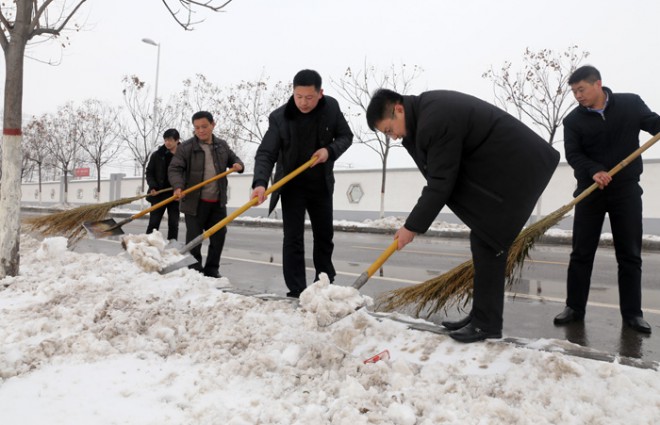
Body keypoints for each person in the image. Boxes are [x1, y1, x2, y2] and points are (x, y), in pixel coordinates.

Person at [366, 88, 560, 343]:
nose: (392, 137)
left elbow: (440, 183)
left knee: (488, 243)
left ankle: (487, 324)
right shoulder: (424, 116)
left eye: (389, 130)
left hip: (518, 169)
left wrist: (411, 227)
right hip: (502, 171)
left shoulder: (433, 120)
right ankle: (482, 316)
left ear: (398, 109)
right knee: (483, 241)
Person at [553, 65, 660, 334]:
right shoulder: (573, 121)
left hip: (626, 191)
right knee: (581, 253)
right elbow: (574, 154)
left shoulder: (630, 104)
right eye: (574, 91)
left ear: (598, 84)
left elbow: (653, 124)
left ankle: (633, 314)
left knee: (630, 255)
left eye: (582, 89)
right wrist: (594, 170)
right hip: (590, 193)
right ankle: (574, 308)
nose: (577, 96)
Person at [251, 69, 353, 298]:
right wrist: (259, 183)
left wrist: (329, 151)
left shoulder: (331, 108)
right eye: (299, 96)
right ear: (293, 92)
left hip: (320, 185)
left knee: (324, 235)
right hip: (292, 186)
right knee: (293, 238)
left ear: (320, 94)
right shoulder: (279, 117)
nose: (303, 102)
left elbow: (346, 136)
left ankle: (324, 282)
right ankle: (296, 289)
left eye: (309, 97)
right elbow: (266, 153)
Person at [168, 111, 244, 278]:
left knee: (219, 237)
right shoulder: (186, 148)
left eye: (204, 126)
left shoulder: (221, 146)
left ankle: (212, 269)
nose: (201, 131)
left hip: (217, 202)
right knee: (195, 240)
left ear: (213, 125)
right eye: (197, 128)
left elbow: (234, 159)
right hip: (194, 203)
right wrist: (178, 186)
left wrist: (238, 164)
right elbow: (175, 169)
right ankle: (195, 271)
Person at [145, 128, 181, 240]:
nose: (167, 142)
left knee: (174, 224)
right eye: (165, 140)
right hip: (158, 194)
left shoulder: (184, 155)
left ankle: (172, 246)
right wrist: (152, 186)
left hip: (175, 194)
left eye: (170, 140)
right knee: (153, 223)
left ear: (177, 140)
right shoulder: (157, 155)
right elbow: (149, 172)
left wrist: (181, 188)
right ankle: (147, 245)